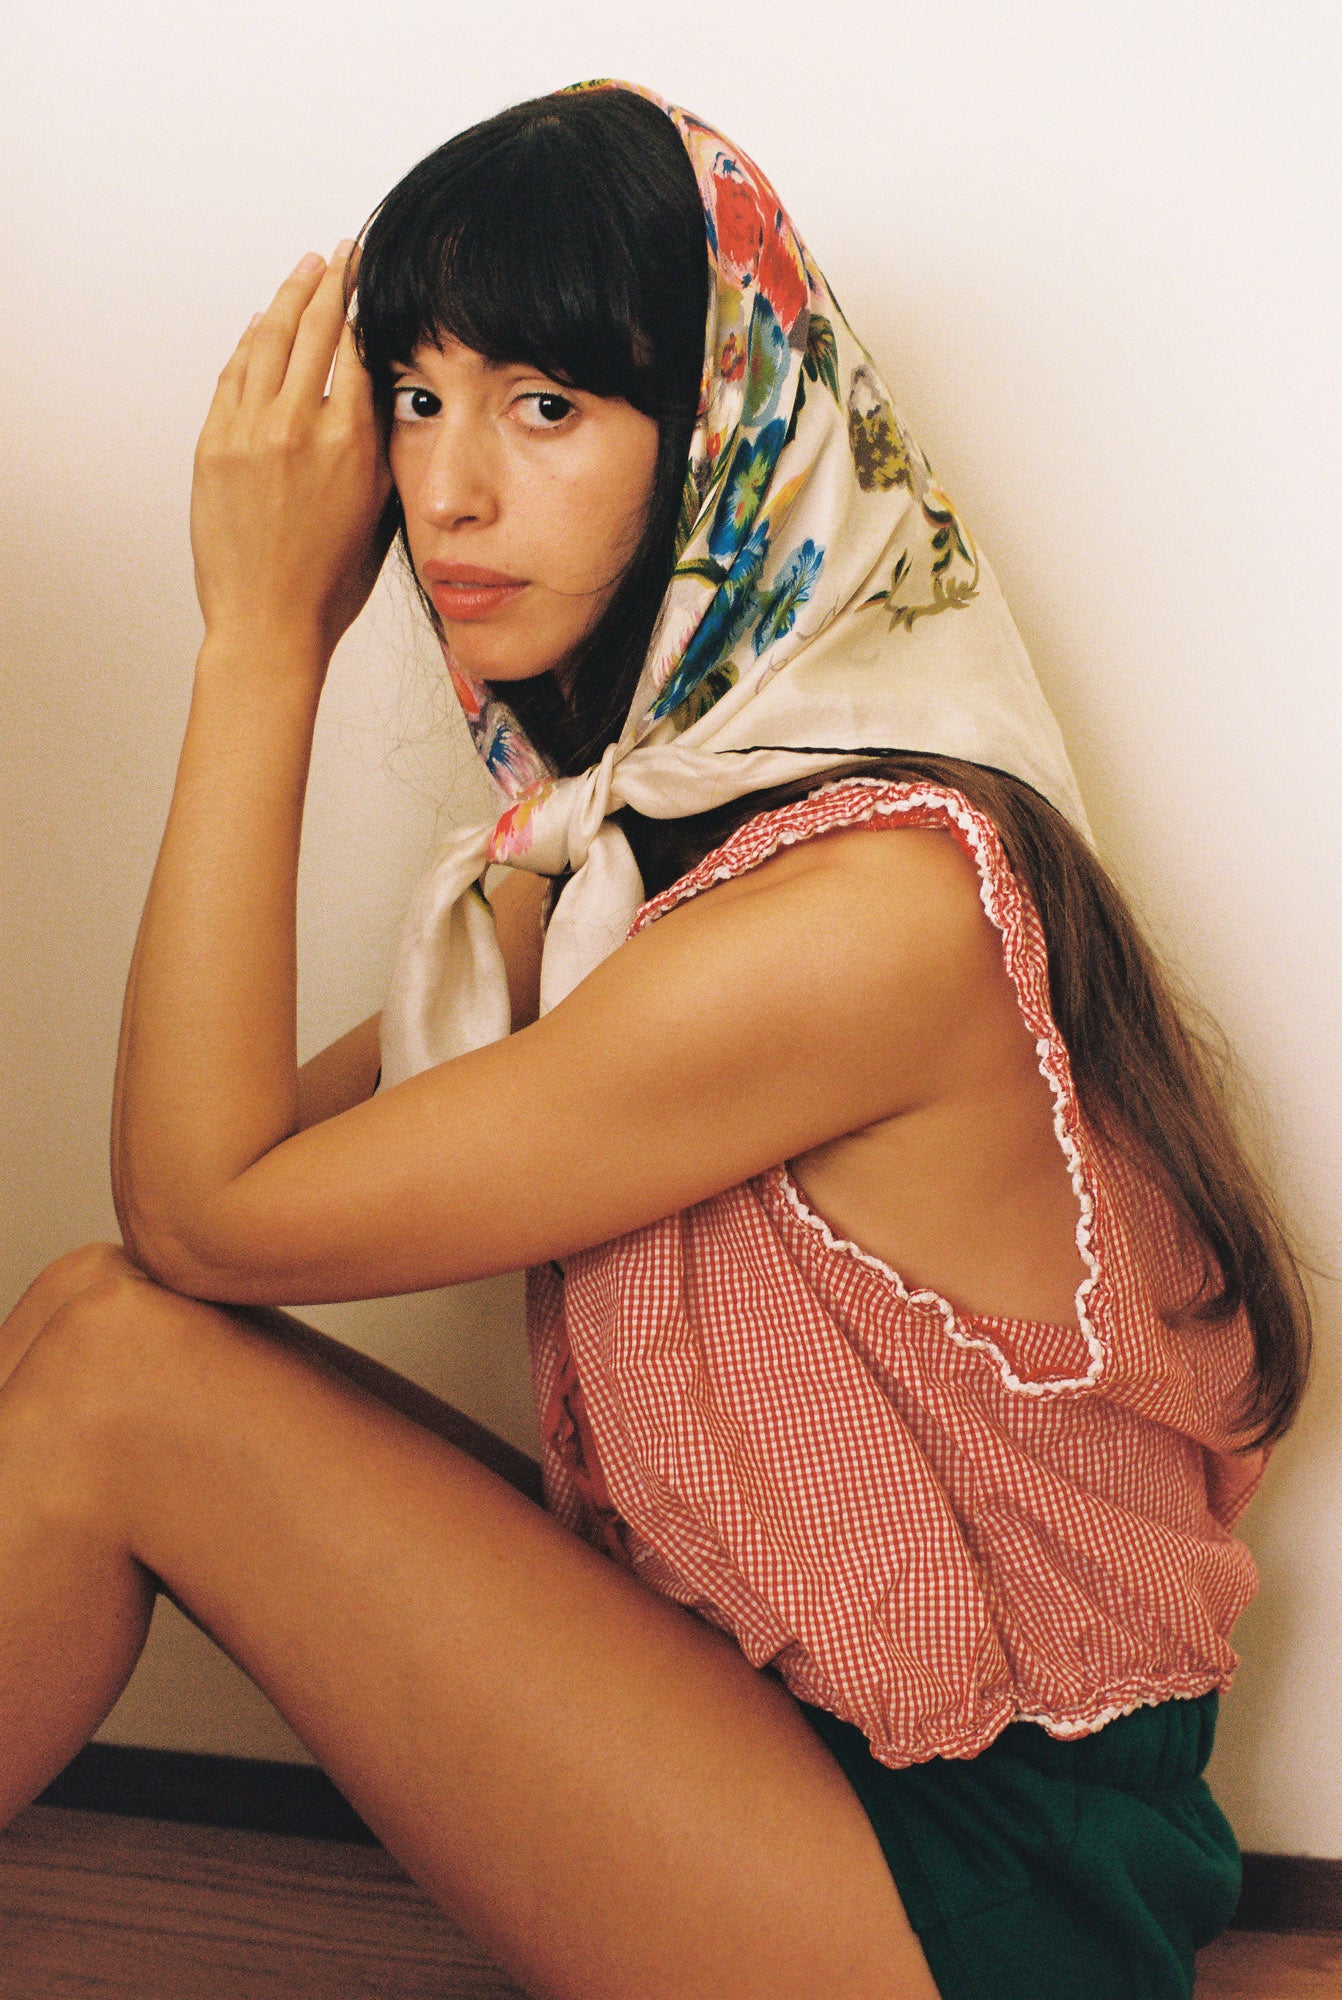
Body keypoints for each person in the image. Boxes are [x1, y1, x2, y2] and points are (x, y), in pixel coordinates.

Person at [0, 79, 1310, 2000]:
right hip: (799, 1763)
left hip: (978, 1892)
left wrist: (257, 638)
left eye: (545, 405)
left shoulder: (870, 911)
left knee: (119, 1357)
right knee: (86, 1319)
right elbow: (236, 1188)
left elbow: (208, 1215)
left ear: (723, 445)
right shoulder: (632, 861)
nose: (444, 491)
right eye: (417, 398)